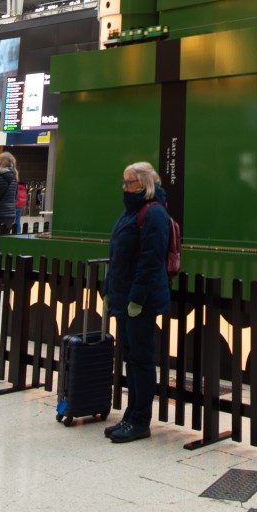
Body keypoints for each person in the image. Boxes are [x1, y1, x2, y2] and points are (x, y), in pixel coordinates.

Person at [103, 161, 173, 445]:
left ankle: (140, 419)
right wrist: (110, 289)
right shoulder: (130, 211)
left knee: (141, 359)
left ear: (143, 183)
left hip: (139, 301)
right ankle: (131, 415)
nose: (125, 187)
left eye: (130, 182)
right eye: (124, 181)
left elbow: (150, 260)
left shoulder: (153, 213)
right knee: (130, 358)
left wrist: (137, 298)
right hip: (124, 296)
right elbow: (117, 254)